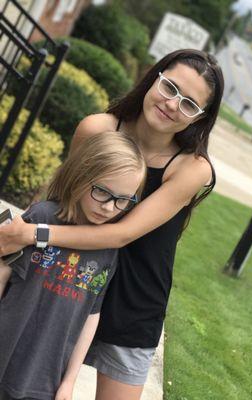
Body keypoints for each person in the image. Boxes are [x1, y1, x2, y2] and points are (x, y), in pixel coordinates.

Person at [0, 49, 224, 399]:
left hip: (133, 306)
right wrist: (22, 235)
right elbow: (61, 197)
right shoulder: (96, 129)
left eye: (189, 104)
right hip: (62, 284)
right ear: (154, 76)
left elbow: (121, 233)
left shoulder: (192, 168)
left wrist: (33, 233)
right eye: (170, 88)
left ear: (200, 117)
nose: (172, 104)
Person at [0, 131, 146, 400]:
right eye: (102, 191)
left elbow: (91, 316)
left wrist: (70, 381)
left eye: (122, 200)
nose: (109, 207)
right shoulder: (41, 218)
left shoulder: (108, 248)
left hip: (45, 381)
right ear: (82, 174)